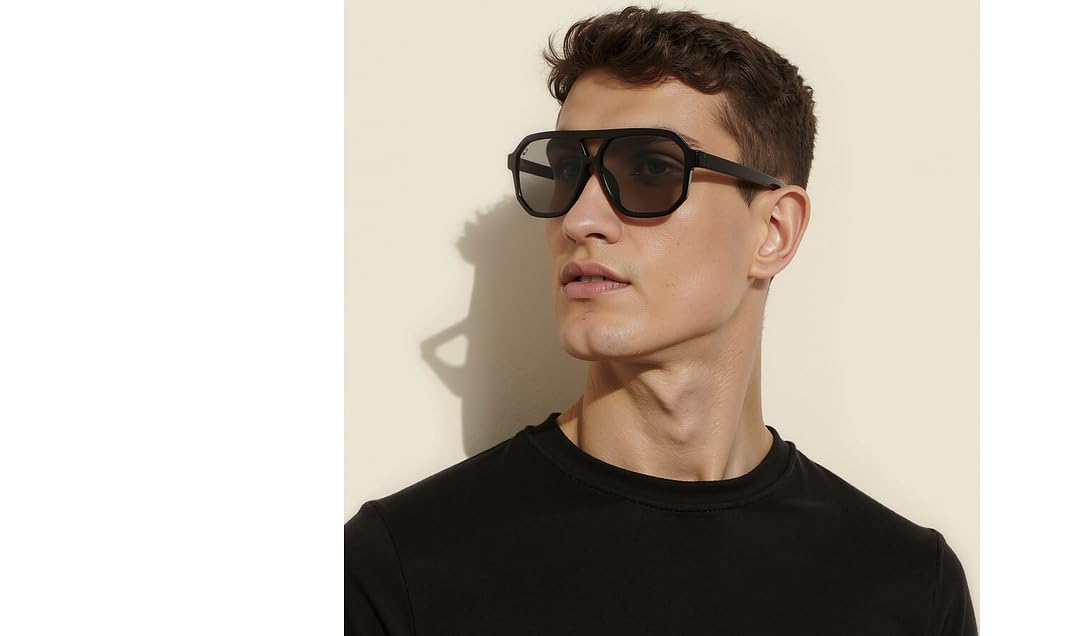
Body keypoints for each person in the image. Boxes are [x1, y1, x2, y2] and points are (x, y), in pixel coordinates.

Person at [345, 6, 977, 634]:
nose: (579, 219)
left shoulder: (908, 586)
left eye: (651, 168)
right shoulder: (397, 567)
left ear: (774, 231)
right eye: (565, 171)